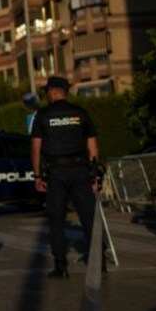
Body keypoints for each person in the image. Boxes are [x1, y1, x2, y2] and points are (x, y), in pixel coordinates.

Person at [30, 76, 101, 279]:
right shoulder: (80, 113)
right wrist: (94, 175)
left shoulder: (43, 115)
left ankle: (61, 266)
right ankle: (99, 262)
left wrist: (37, 175)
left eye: (47, 92)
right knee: (88, 217)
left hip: (56, 174)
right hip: (80, 171)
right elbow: (93, 146)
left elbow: (36, 147)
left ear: (53, 91)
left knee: (56, 218)